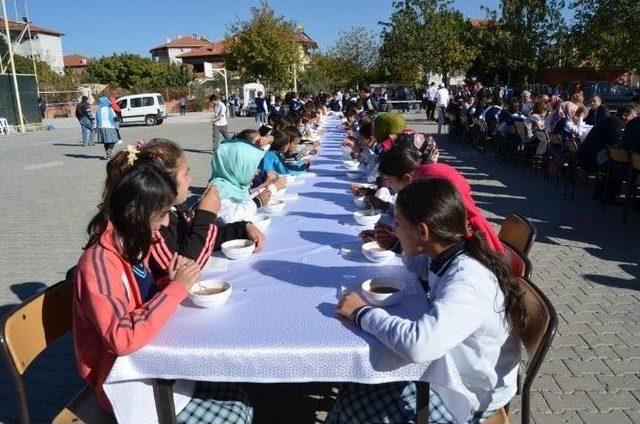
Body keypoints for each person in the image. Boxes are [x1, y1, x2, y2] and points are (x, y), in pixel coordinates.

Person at [331, 178, 523, 424]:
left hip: (471, 393)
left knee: (355, 405)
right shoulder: (449, 252)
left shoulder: (467, 282)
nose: (393, 228)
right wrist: (397, 245)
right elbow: (426, 269)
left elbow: (419, 346)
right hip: (452, 368)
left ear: (423, 232)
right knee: (357, 384)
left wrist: (361, 313)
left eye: (398, 224)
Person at [73, 163, 254, 422]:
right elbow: (121, 336)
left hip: (152, 365)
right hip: (122, 380)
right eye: (161, 214)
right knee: (235, 414)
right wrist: (175, 290)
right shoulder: (100, 262)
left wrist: (166, 285)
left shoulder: (133, 244)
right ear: (136, 213)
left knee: (239, 398)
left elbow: (141, 299)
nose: (167, 221)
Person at [103, 139, 265, 272]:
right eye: (186, 173)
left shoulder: (177, 209)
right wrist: (206, 216)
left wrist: (242, 228)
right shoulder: (152, 225)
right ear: (164, 182)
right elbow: (181, 271)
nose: (191, 180)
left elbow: (198, 238)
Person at [210, 139, 271, 224]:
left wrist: (265, 192)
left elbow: (242, 202)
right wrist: (257, 202)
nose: (256, 172)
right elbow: (226, 219)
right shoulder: (220, 189)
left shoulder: (235, 183)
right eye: (251, 168)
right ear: (237, 169)